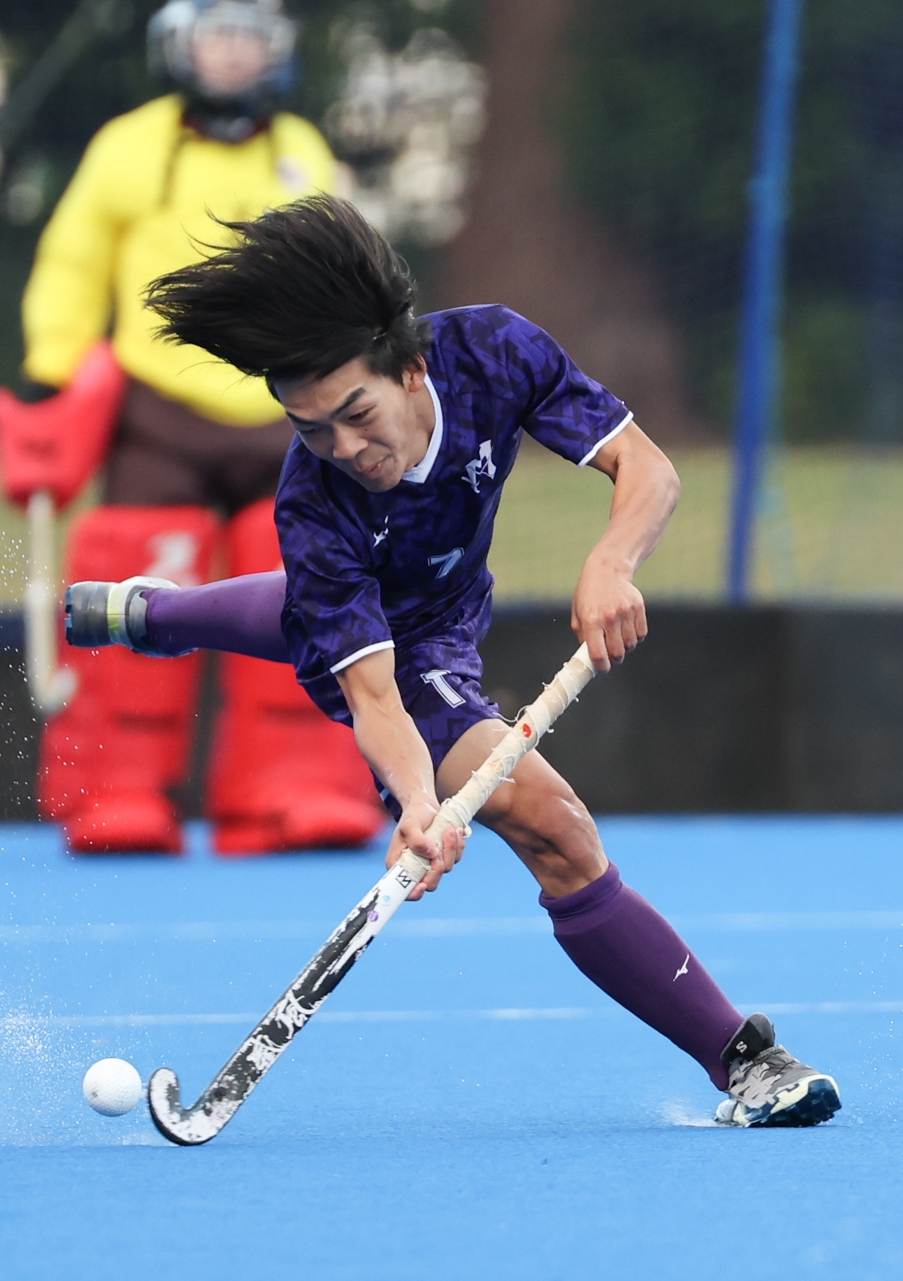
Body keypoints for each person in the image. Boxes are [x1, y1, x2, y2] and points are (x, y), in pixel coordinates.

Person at [61, 194, 843, 1126]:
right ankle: (744, 1061)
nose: (345, 448)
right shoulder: (313, 501)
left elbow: (649, 469)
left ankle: (152, 612)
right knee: (553, 827)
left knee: (303, 611)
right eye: (312, 430)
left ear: (410, 367)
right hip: (399, 657)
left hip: (448, 604)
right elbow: (373, 696)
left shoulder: (493, 351)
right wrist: (416, 804)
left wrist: (610, 563)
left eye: (356, 414)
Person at [0, 0, 385, 859]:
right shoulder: (129, 147)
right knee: (136, 590)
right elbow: (74, 260)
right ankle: (117, 789)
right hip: (158, 414)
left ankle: (296, 786)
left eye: (251, 39)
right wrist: (52, 366)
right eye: (218, 37)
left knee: (307, 594)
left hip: (288, 421)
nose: (234, 55)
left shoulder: (302, 151)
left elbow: (349, 268)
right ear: (180, 46)